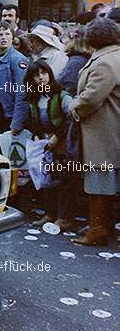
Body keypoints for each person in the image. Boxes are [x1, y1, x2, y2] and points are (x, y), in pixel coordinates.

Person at [70, 18, 120, 246]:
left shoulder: (104, 62)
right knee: (106, 183)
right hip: (111, 130)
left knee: (98, 183)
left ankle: (98, 230)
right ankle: (104, 226)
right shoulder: (113, 56)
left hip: (102, 132)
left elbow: (91, 97)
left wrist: (73, 106)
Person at [22, 61, 75, 230]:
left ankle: (64, 218)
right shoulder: (34, 97)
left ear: (50, 74)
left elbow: (71, 119)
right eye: (36, 75)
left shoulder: (62, 95)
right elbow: (34, 120)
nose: (40, 77)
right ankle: (50, 214)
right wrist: (37, 134)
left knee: (64, 181)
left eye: (43, 73)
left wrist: (57, 137)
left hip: (63, 144)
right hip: (45, 144)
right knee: (47, 179)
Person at [0, 22, 29, 136]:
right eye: (0, 34)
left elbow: (22, 93)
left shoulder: (17, 59)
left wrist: (16, 123)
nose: (4, 37)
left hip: (8, 114)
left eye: (7, 34)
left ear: (13, 37)